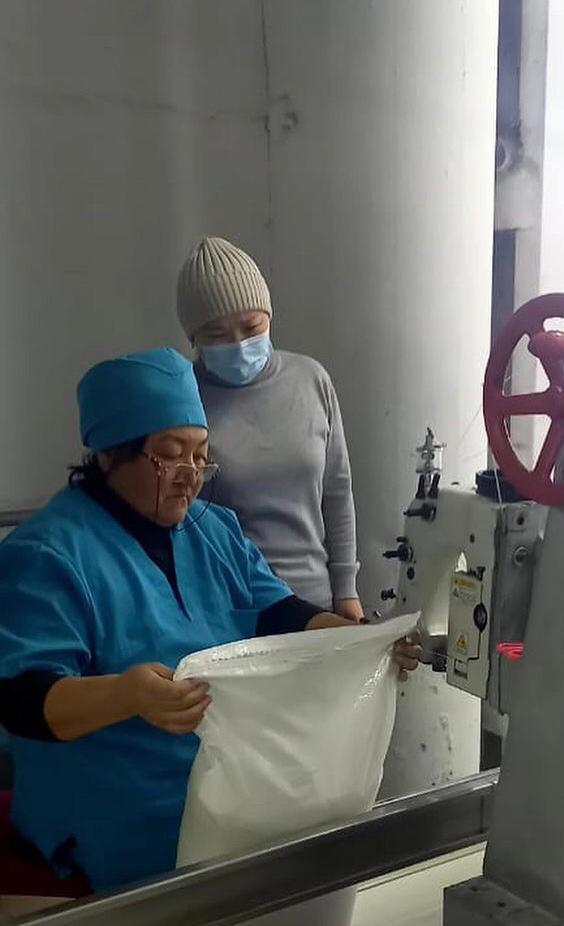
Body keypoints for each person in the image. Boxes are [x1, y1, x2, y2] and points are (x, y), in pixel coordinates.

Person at [0, 348, 418, 893]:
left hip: (221, 782)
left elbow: (277, 613)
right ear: (107, 454)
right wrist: (126, 695)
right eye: (170, 456)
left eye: (201, 457)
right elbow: (22, 700)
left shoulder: (212, 530)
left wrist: (367, 642)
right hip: (119, 808)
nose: (190, 478)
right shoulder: (48, 555)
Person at [176, 237, 363, 620]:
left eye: (250, 326)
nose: (238, 343)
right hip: (233, 610)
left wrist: (346, 592)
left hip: (316, 602)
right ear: (194, 339)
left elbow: (337, 491)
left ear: (269, 317)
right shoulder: (183, 397)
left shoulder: (311, 380)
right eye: (217, 335)